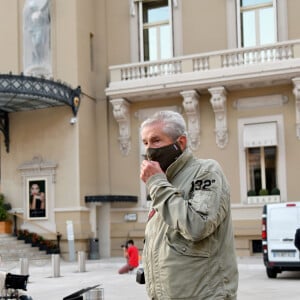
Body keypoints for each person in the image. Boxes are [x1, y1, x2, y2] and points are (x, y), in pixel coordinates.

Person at [140, 110, 238, 299]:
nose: (149, 150)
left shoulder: (206, 171)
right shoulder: (164, 182)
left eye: (156, 140)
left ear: (180, 143)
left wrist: (156, 183)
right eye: (145, 143)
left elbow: (197, 225)